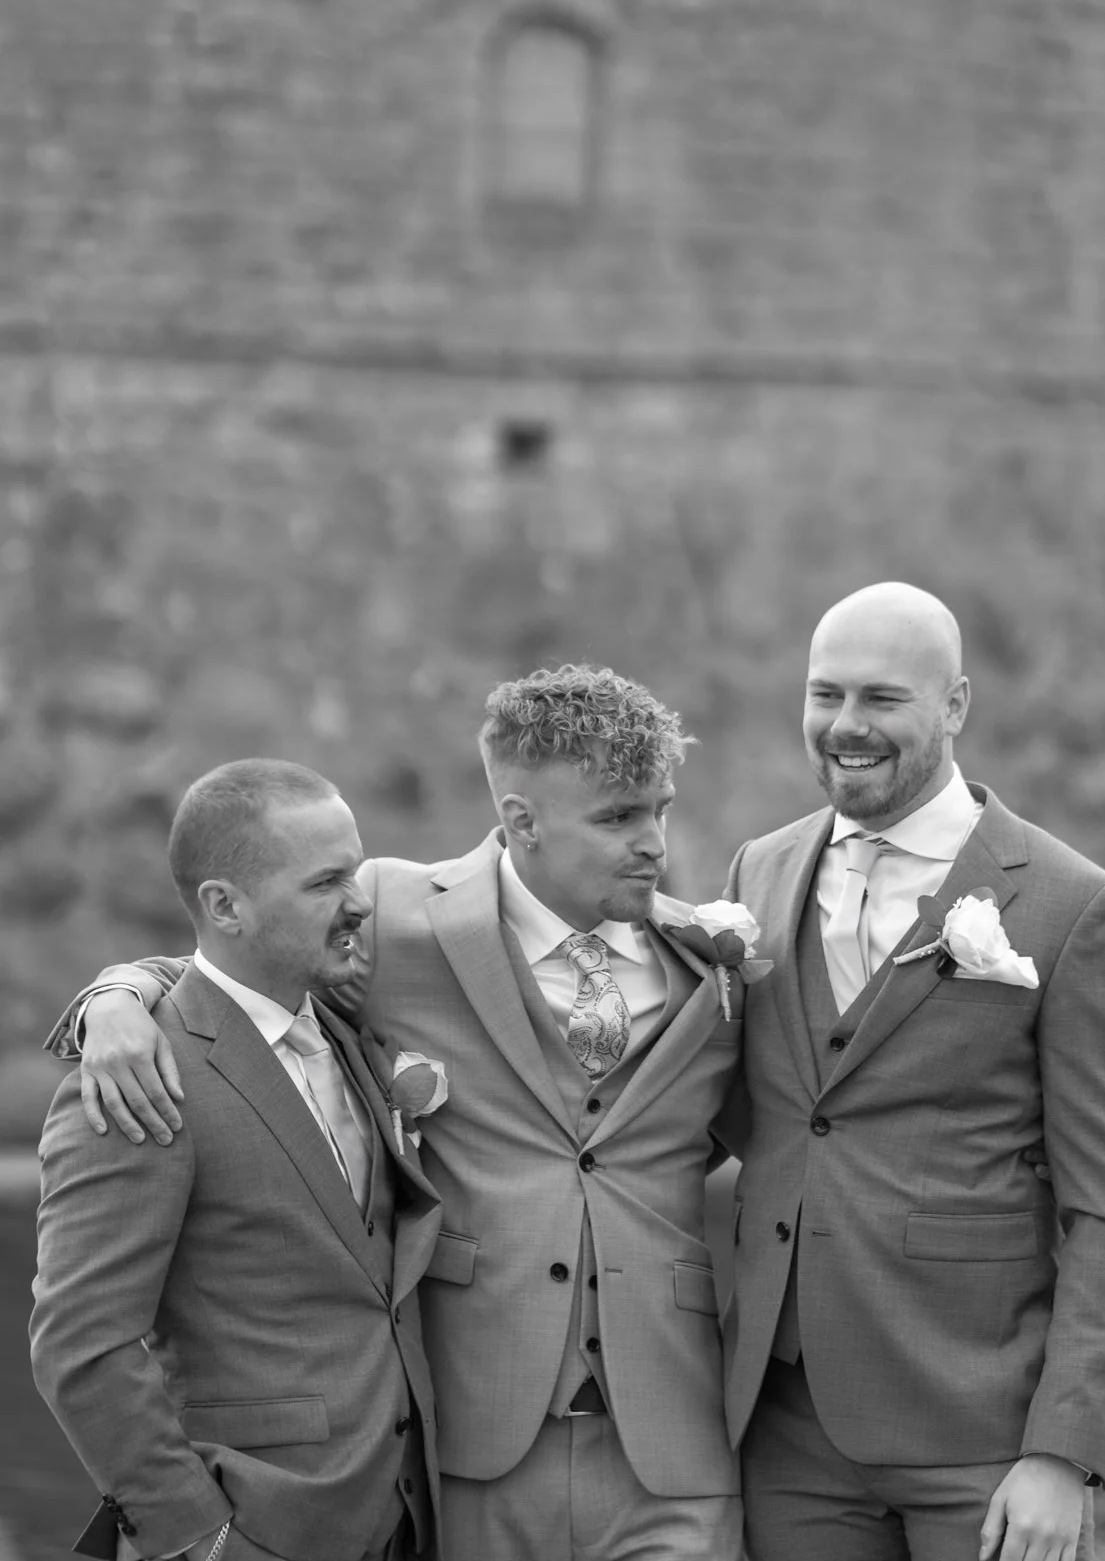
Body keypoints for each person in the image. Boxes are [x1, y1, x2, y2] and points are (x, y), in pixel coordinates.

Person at [50, 667, 744, 1561]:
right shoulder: (390, 919)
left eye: (661, 810)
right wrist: (115, 997)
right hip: (469, 1443)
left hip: (671, 1437)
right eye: (616, 817)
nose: (652, 843)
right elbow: (233, 966)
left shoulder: (711, 964)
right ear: (521, 819)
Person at [722, 583, 1105, 1561]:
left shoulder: (1072, 904)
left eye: (882, 697)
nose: (846, 725)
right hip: (786, 1430)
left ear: (954, 704)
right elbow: (744, 1111)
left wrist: (1064, 1453)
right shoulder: (758, 871)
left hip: (983, 1435)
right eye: (825, 694)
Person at [30, 758, 443, 1561]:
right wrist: (200, 1538)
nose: (359, 902)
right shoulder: (138, 1076)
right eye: (325, 883)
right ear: (225, 905)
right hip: (256, 1524)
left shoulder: (347, 1023)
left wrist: (118, 985)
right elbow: (81, 1346)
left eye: (354, 871)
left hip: (406, 1519)